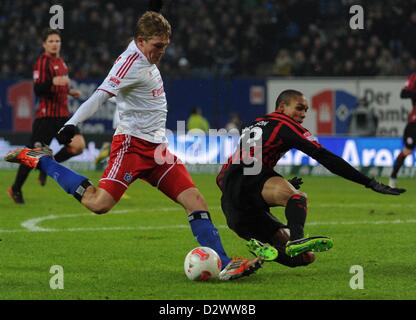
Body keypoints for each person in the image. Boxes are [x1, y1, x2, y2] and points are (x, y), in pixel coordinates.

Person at [5, 12, 260, 281]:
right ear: (140, 41)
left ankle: (225, 263)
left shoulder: (146, 56)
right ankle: (43, 160)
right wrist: (73, 124)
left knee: (195, 200)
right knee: (99, 204)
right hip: (132, 148)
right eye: (157, 46)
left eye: (165, 46)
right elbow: (100, 95)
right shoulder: (130, 62)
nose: (161, 52)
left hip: (158, 150)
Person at [216, 89, 406, 268]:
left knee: (306, 257)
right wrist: (369, 182)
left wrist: (260, 191)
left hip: (232, 203)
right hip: (251, 181)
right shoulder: (285, 124)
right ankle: (296, 239)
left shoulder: (251, 125)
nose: (303, 114)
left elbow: (225, 178)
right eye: (299, 108)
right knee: (297, 197)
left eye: (306, 110)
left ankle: (269, 251)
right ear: (282, 108)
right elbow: (326, 157)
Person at [7, 29, 85, 204]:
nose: (55, 43)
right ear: (44, 44)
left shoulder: (62, 63)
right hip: (46, 117)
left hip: (63, 116)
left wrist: (70, 92)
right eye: (51, 41)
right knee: (31, 155)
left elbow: (60, 87)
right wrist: (52, 82)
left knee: (78, 146)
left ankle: (46, 167)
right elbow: (38, 89)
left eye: (57, 40)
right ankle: (15, 188)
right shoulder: (42, 62)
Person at [389, 72, 416, 188]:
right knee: (407, 150)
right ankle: (393, 176)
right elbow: (403, 93)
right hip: (414, 123)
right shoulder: (414, 77)